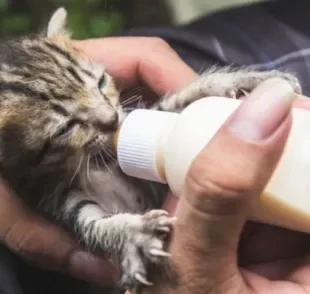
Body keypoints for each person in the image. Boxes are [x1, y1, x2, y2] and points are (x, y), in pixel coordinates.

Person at [2, 0, 310, 293]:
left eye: (99, 83)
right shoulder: (50, 181)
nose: (110, 116)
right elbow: (89, 225)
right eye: (66, 127)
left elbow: (166, 126)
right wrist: (124, 235)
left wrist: (216, 89)